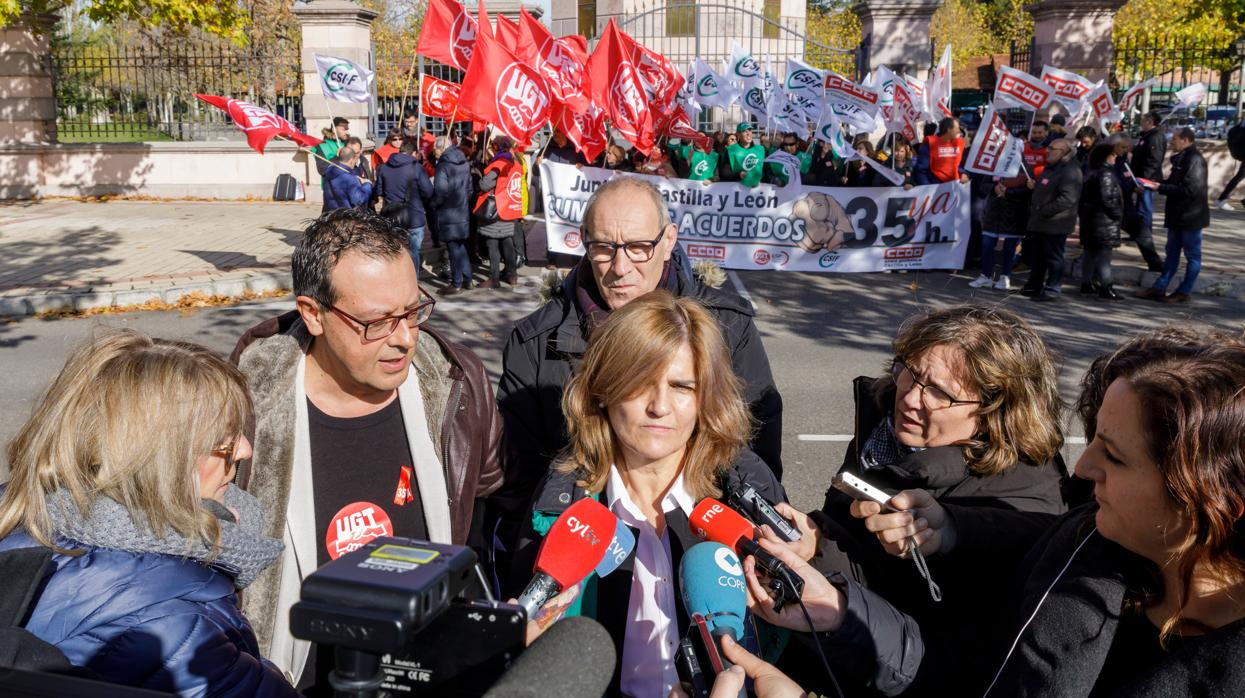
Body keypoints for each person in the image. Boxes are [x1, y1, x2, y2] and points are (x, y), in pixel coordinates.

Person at [756, 329, 1245, 697]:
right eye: (1092, 437)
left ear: (1211, 496)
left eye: (1114, 456)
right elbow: (966, 670)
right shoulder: (1078, 548)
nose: (1082, 465)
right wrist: (838, 613)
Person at [230, 208, 504, 688]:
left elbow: (493, 510)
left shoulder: (459, 387)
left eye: (413, 311)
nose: (403, 340)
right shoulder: (243, 408)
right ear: (313, 314)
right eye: (376, 322)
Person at [494, 176, 784, 574]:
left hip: (707, 554)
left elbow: (757, 462)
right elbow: (518, 491)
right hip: (585, 558)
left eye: (638, 247)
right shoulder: (534, 344)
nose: (619, 267)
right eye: (603, 248)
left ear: (668, 241)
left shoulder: (727, 328)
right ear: (582, 241)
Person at [510, 291, 786, 697]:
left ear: (705, 396)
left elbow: (792, 635)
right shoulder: (560, 503)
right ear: (603, 390)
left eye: (681, 386)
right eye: (640, 383)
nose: (660, 406)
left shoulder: (746, 490)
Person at [0, 330, 293, 696]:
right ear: (156, 462)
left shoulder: (23, 519)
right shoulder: (174, 628)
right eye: (224, 441)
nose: (245, 451)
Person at [1134, 127, 1209, 304]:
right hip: (1177, 215)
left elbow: (1189, 190)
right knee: (1171, 254)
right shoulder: (1182, 158)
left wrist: (1159, 187)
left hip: (1190, 217)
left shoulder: (1194, 159)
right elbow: (1174, 183)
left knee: (1192, 256)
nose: (1171, 142)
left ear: (1185, 140)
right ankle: (1159, 287)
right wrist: (1154, 183)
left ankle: (1184, 291)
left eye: (1174, 139)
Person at [1021, 138, 1082, 301]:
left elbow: (1068, 198)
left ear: (1063, 153)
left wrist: (1044, 210)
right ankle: (1034, 286)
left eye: (1052, 149)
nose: (1047, 151)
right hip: (1040, 222)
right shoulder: (1051, 167)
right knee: (1038, 257)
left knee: (1054, 257)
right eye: (1048, 147)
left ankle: (1052, 289)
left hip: (1055, 223)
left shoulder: (1070, 170)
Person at [377, 138, 434, 275]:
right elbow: (429, 191)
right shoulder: (416, 167)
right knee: (414, 251)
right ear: (414, 153)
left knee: (394, 251)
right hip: (414, 216)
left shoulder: (384, 167)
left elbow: (378, 191)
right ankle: (414, 282)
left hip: (392, 216)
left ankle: (396, 279)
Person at [1078, 142, 1125, 300]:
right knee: (1104, 256)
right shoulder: (1105, 173)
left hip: (1091, 219)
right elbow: (1107, 199)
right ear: (1106, 156)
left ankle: (1086, 283)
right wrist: (1117, 214)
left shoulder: (1091, 171)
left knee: (1090, 253)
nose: (1116, 157)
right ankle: (1106, 287)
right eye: (1113, 154)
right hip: (1103, 221)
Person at [476, 135, 522, 288]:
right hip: (509, 209)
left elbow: (484, 185)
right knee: (507, 241)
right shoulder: (514, 163)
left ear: (496, 148)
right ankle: (512, 275)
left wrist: (481, 176)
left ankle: (494, 278)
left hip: (497, 211)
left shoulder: (498, 165)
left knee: (492, 243)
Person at [430, 134, 474, 294]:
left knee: (453, 248)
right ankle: (468, 279)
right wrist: (462, 201)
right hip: (461, 210)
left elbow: (440, 192)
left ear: (441, 148)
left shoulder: (443, 165)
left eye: (435, 148)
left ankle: (456, 283)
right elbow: (470, 189)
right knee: (460, 246)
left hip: (448, 213)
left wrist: (433, 204)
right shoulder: (463, 161)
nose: (433, 151)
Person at [969, 174, 1029, 290]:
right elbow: (982, 187)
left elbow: (1028, 189)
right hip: (993, 212)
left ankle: (1005, 276)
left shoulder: (1025, 167)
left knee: (1010, 248)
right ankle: (985, 276)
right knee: (987, 244)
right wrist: (993, 188)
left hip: (1015, 214)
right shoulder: (993, 166)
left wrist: (1008, 192)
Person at [1125, 112, 1167, 272]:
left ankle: (1145, 235)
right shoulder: (1147, 135)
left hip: (1147, 179)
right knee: (1139, 208)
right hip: (1139, 177)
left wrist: (1146, 180)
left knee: (1145, 209)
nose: (1141, 122)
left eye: (1143, 120)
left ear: (1150, 121)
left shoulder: (1155, 136)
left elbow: (1154, 160)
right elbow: (1143, 152)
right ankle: (1137, 233)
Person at [913, 117, 967, 185]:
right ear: (949, 130)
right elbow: (921, 170)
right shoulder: (930, 144)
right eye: (957, 128)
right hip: (936, 187)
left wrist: (963, 173)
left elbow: (957, 165)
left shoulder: (959, 143)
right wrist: (928, 188)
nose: (959, 131)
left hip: (954, 186)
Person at [312, 117, 349, 213]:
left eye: (347, 128)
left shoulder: (348, 144)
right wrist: (337, 157)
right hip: (332, 190)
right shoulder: (322, 146)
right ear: (334, 129)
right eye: (343, 129)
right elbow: (322, 169)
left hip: (349, 188)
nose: (346, 131)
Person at [321, 147, 373, 212]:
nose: (355, 162)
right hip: (346, 217)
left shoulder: (329, 172)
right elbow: (359, 200)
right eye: (355, 159)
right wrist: (367, 185)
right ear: (351, 160)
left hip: (331, 215)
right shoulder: (349, 178)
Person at [720, 122, 766, 187]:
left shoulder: (760, 149)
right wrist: (739, 175)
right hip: (738, 190)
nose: (748, 133)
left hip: (758, 191)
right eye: (744, 131)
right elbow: (725, 173)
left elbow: (766, 170)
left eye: (750, 130)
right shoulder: (731, 150)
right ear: (738, 134)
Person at [1215, 117, 1245, 210]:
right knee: (1239, 177)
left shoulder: (1241, 125)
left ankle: (1222, 199)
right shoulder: (1242, 127)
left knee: (1239, 177)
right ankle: (1221, 199)